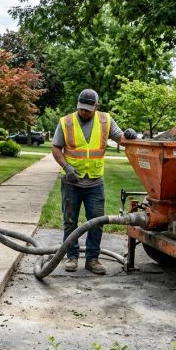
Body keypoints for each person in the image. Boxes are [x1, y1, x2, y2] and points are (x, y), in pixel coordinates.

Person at [51, 89, 138, 275]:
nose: (84, 113)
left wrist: (130, 135)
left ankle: (92, 259)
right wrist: (67, 168)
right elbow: (56, 148)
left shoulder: (106, 120)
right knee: (69, 221)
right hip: (71, 182)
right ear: (78, 105)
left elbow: (121, 139)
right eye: (81, 109)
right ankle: (72, 257)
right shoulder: (66, 122)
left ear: (96, 107)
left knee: (96, 222)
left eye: (88, 110)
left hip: (95, 183)